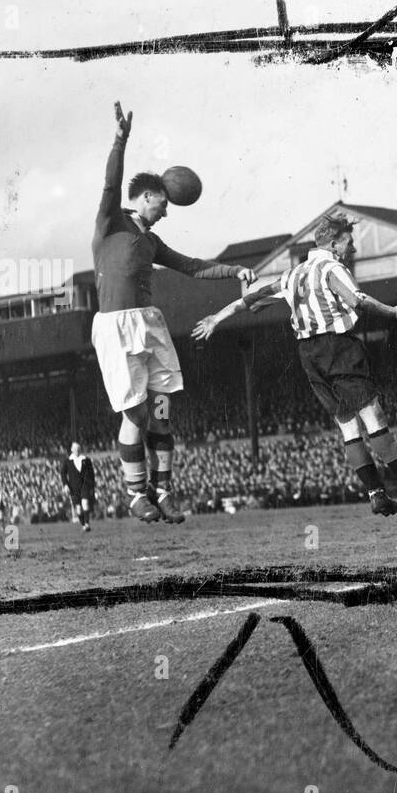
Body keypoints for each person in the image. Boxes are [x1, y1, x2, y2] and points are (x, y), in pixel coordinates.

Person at [194, 212, 397, 517]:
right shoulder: (331, 267)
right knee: (372, 416)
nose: (353, 248)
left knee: (348, 425)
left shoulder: (292, 275)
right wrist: (395, 312)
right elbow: (358, 300)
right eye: (349, 241)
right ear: (335, 243)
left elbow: (250, 300)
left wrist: (216, 319)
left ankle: (377, 494)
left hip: (308, 355)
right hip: (337, 347)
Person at [92, 100, 256, 524]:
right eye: (163, 204)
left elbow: (193, 266)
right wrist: (119, 141)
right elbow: (111, 185)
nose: (167, 211)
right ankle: (135, 495)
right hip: (117, 327)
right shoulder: (111, 223)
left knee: (161, 408)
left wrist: (235, 269)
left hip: (150, 324)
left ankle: (163, 490)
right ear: (147, 197)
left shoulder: (151, 241)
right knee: (135, 413)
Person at [60, 441, 97, 532]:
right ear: (72, 449)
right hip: (73, 488)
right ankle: (83, 524)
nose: (77, 450)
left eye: (78, 448)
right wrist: (65, 484)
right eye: (75, 448)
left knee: (85, 503)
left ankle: (87, 524)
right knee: (79, 509)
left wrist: (92, 485)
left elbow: (92, 473)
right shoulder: (68, 461)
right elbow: (63, 473)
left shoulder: (86, 460)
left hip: (85, 485)